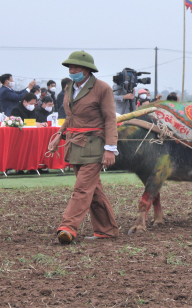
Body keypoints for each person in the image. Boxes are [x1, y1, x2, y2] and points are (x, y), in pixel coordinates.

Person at [48, 50, 119, 243]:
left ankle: (67, 228)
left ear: (87, 70)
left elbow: (110, 119)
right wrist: (59, 136)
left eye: (76, 67)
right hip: (75, 145)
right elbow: (70, 117)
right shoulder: (69, 88)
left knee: (81, 189)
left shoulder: (102, 88)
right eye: (70, 67)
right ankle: (107, 230)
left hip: (94, 146)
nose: (72, 70)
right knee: (93, 190)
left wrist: (110, 148)